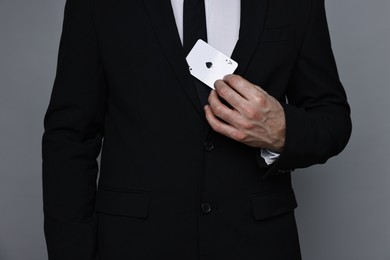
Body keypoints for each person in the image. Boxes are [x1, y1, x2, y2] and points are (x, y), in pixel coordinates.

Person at [42, 0, 352, 259]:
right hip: (134, 243)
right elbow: (70, 135)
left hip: (258, 244)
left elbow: (332, 117)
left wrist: (282, 132)